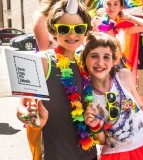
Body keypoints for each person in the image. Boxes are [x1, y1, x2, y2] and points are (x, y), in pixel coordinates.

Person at [17, 0, 98, 160]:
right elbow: (22, 109)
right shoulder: (41, 60)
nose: (72, 35)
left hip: (89, 154)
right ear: (53, 30)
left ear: (85, 31)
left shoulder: (83, 63)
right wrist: (32, 118)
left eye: (79, 29)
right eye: (64, 29)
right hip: (56, 154)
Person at [81, 31, 143, 160]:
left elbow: (141, 107)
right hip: (117, 154)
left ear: (113, 61)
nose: (100, 63)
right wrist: (95, 126)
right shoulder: (86, 95)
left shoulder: (124, 75)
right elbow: (102, 141)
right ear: (85, 59)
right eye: (94, 56)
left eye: (106, 57)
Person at [90, 0, 143, 83]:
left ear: (121, 7)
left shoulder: (122, 28)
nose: (111, 7)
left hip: (119, 66)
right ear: (104, 5)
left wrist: (128, 17)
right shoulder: (97, 23)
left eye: (115, 4)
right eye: (108, 4)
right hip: (101, 66)